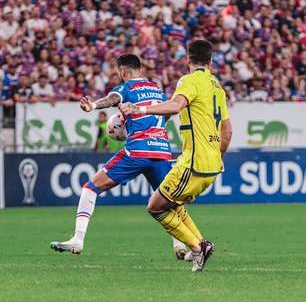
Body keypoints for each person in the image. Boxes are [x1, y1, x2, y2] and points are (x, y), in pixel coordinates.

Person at [50, 54, 189, 259]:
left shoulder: (126, 88)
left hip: (138, 150)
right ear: (140, 69)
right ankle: (183, 247)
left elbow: (112, 100)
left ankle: (77, 240)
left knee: (91, 188)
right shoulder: (156, 90)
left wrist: (93, 106)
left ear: (122, 71)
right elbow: (166, 114)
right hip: (161, 150)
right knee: (170, 201)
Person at [121, 40, 233, 272]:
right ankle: (200, 246)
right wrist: (219, 156)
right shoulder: (217, 86)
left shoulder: (189, 81)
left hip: (194, 162)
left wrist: (140, 109)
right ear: (211, 61)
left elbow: (175, 106)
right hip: (211, 163)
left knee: (156, 207)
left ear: (187, 60)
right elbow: (228, 131)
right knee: (175, 205)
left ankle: (197, 246)